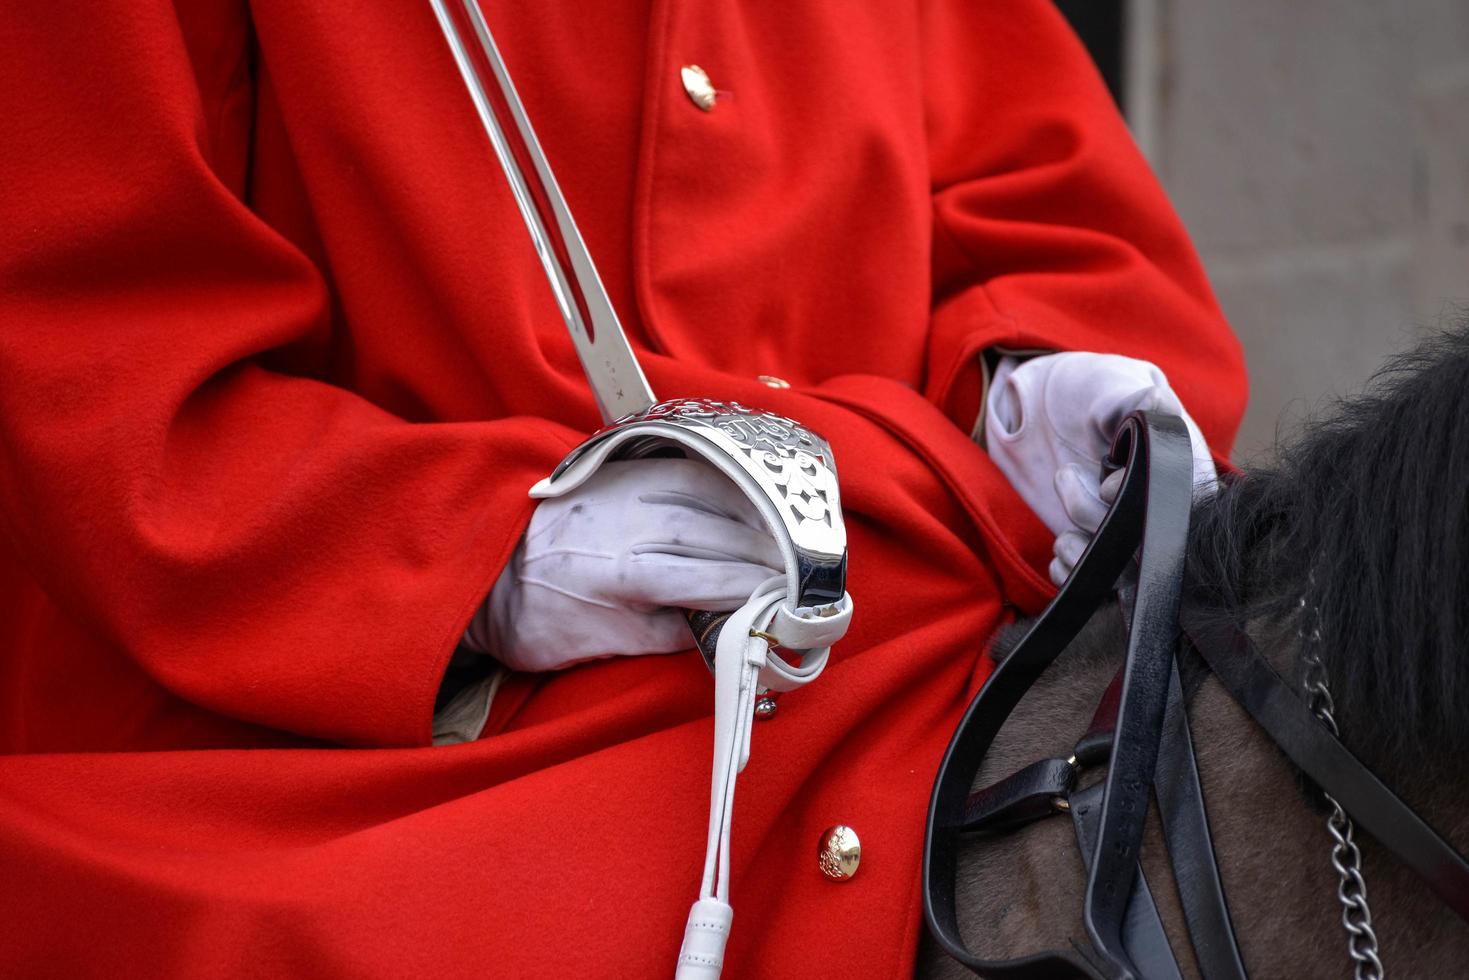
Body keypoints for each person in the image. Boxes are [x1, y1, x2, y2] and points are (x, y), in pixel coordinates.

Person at [0, 1, 1245, 976]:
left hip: (899, 633)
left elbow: (1022, 180)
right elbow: (92, 359)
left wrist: (1022, 371)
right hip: (374, 739)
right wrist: (476, 562)